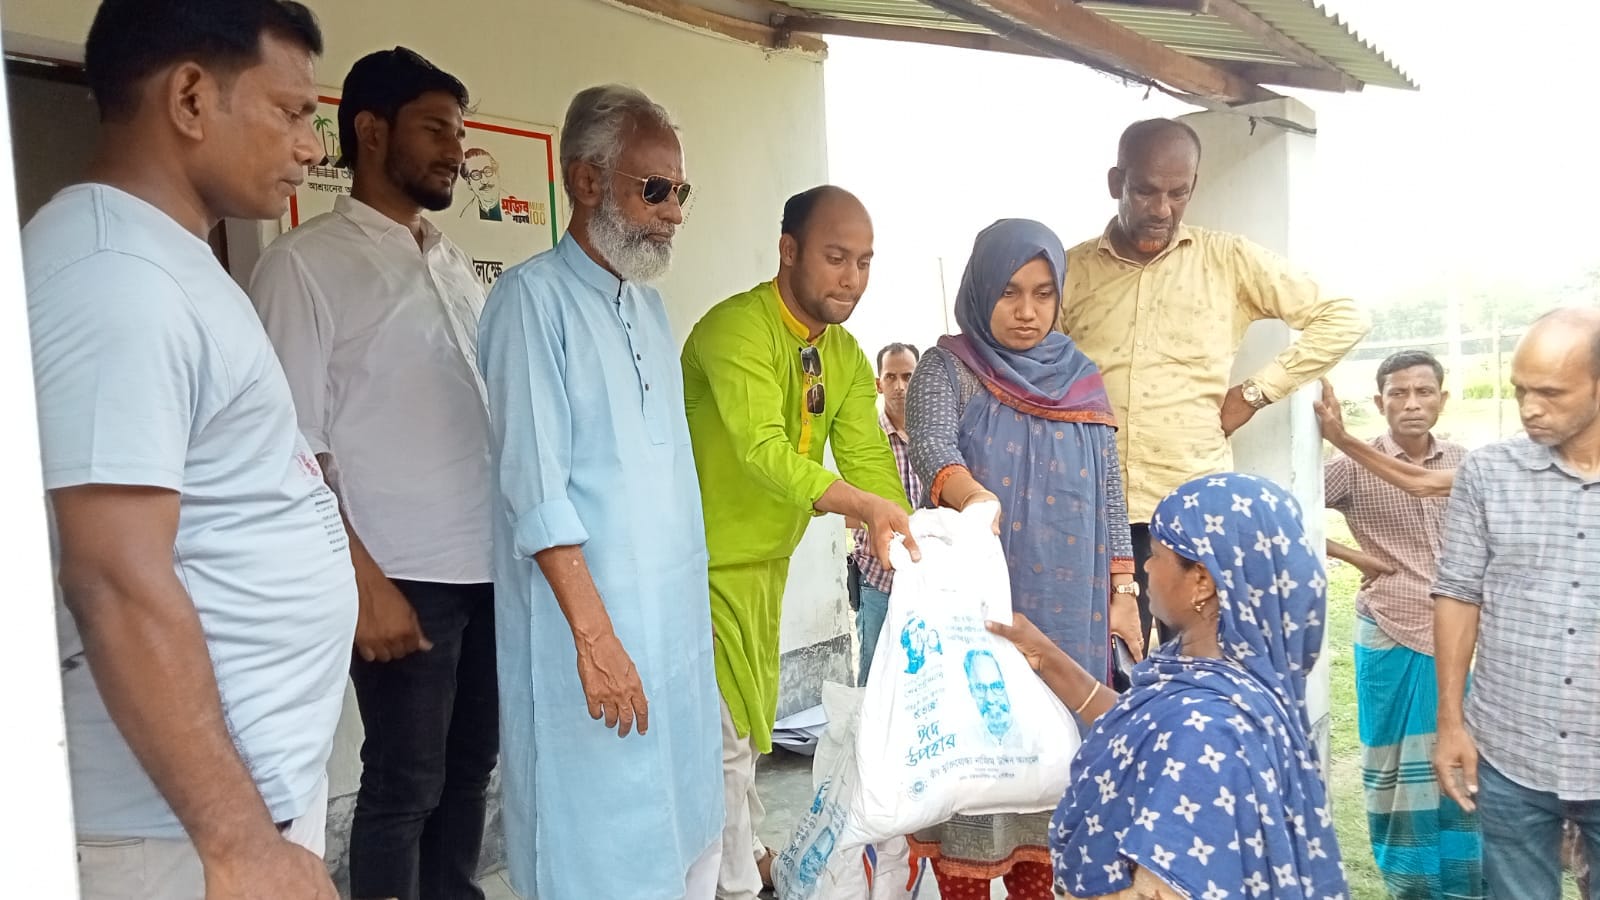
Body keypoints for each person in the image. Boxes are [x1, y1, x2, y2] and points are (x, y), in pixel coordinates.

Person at [24, 3, 352, 898]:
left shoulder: (167, 262)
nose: (312, 147)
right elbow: (113, 577)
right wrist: (240, 844)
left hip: (223, 816)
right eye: (291, 112)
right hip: (172, 836)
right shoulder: (113, 279)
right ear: (192, 98)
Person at [250, 48, 498, 900]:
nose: (454, 152)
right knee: (403, 787)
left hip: (489, 568)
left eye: (459, 134)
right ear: (369, 129)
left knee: (470, 775)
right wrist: (363, 583)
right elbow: (290, 448)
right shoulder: (304, 265)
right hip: (401, 574)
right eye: (435, 129)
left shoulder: (455, 264)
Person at [479, 84, 722, 900]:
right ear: (585, 183)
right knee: (597, 850)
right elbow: (537, 490)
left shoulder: (648, 309)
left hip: (672, 650)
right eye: (654, 189)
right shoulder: (529, 303)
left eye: (680, 191)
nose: (674, 212)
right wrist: (596, 642)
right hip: (590, 648)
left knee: (681, 833)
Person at [680, 184, 916, 899]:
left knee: (747, 734)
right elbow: (763, 450)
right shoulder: (737, 330)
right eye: (836, 257)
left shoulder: (840, 352)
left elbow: (869, 458)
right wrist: (862, 506)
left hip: (764, 566)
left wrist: (905, 536)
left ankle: (744, 857)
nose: (851, 278)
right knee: (721, 742)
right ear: (789, 251)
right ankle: (734, 885)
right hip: (695, 564)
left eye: (865, 261)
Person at [1059, 117, 1369, 648]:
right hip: (1095, 510)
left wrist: (1253, 394)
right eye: (1145, 190)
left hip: (1192, 505)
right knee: (1106, 665)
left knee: (1202, 662)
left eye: (1179, 193)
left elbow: (1344, 316)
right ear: (1116, 183)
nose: (1162, 209)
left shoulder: (1226, 259)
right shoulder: (1073, 271)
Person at [903, 218, 1136, 900]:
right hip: (981, 610)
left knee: (1055, 793)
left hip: (1073, 616)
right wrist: (976, 496)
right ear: (980, 290)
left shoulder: (1081, 379)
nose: (1028, 311)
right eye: (1009, 292)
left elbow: (1110, 492)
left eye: (1042, 293)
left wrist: (1124, 589)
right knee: (980, 772)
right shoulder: (947, 366)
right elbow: (932, 448)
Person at [991, 472, 1348, 900]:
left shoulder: (1204, 731)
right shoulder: (1230, 679)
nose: (1145, 566)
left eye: (1157, 554)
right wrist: (1046, 657)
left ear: (1202, 579)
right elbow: (1143, 733)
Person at [1433, 308, 1600, 899]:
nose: (1530, 407)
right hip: (1508, 753)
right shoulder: (1489, 472)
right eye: (1520, 390)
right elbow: (1457, 593)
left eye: (1550, 392)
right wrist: (1451, 720)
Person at [1316, 351, 1480, 899]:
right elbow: (1282, 509)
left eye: (1424, 392)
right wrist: (1352, 557)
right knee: (1394, 768)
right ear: (1379, 401)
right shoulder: (1351, 467)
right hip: (1391, 630)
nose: (1412, 403)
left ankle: (1465, 883)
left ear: (1443, 398)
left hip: (1463, 640)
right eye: (1399, 393)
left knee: (1466, 764)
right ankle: (1411, 885)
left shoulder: (1465, 462)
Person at [848, 341, 924, 683]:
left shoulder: (933, 437)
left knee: (921, 676)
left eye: (908, 376)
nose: (900, 386)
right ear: (878, 383)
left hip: (925, 577)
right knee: (873, 679)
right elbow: (850, 513)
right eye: (891, 377)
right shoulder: (865, 440)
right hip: (879, 579)